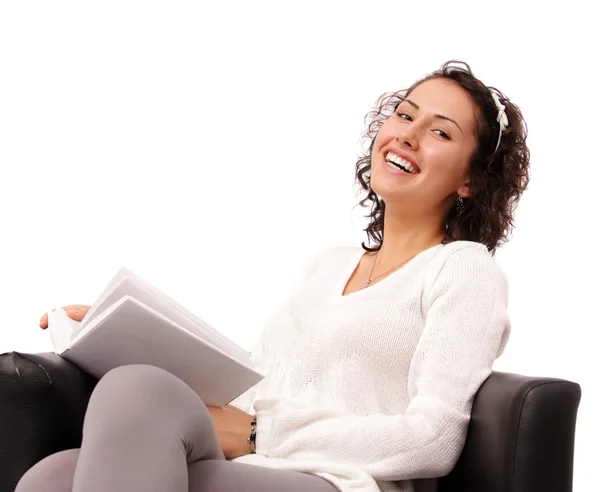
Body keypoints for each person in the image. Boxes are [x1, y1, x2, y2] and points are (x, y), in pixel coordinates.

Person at [16, 60, 530, 492]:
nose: (409, 136)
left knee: (135, 393)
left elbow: (432, 439)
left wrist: (265, 434)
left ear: (471, 179)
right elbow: (254, 387)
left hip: (342, 479)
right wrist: (125, 334)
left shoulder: (464, 270)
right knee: (51, 477)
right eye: (404, 115)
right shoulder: (324, 265)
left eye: (440, 131)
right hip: (260, 464)